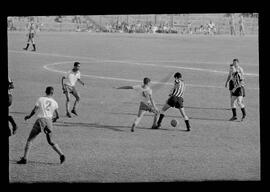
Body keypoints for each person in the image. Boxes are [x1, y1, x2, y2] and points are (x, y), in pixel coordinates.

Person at [17, 86, 65, 164]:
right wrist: (55, 119)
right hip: (49, 122)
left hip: (40, 121)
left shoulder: (41, 99)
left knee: (30, 140)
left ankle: (25, 159)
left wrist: (29, 116)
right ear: (52, 93)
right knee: (51, 141)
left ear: (45, 91)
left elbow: (35, 110)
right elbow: (58, 115)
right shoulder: (55, 102)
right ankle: (61, 155)